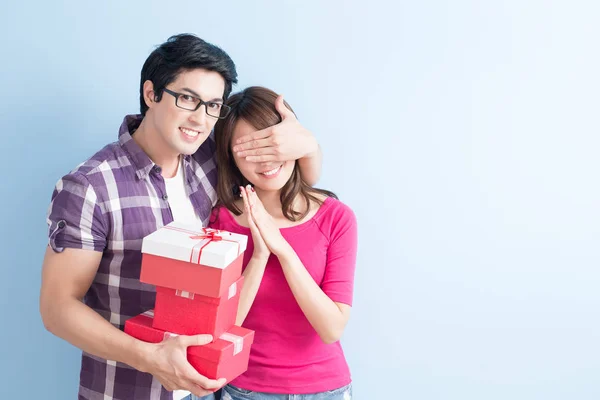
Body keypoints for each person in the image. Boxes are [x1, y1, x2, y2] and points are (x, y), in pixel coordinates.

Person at [39, 34, 322, 400]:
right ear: (151, 94)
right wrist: (150, 358)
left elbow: (289, 182)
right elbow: (57, 308)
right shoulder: (91, 187)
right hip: (128, 390)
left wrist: (308, 145)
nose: (200, 119)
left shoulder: (210, 160)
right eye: (187, 98)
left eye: (212, 105)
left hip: (210, 389)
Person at [209, 86, 357, 400]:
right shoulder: (221, 220)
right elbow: (222, 329)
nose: (265, 161)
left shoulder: (336, 218)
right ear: (231, 159)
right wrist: (260, 255)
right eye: (248, 150)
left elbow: (331, 328)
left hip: (325, 389)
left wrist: (284, 251)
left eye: (270, 145)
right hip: (244, 390)